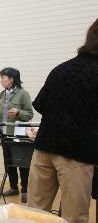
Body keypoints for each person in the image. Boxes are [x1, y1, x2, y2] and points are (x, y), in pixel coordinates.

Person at [27, 18, 98, 223]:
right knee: (73, 217)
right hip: (77, 155)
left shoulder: (61, 69)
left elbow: (40, 104)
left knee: (33, 214)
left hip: (43, 150)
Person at [0, 67, 33, 203]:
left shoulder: (23, 94)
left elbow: (29, 114)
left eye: (3, 78)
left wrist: (18, 112)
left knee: (23, 164)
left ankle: (25, 190)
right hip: (5, 135)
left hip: (18, 135)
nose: (1, 81)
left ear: (12, 79)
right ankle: (13, 188)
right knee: (9, 163)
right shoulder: (2, 94)